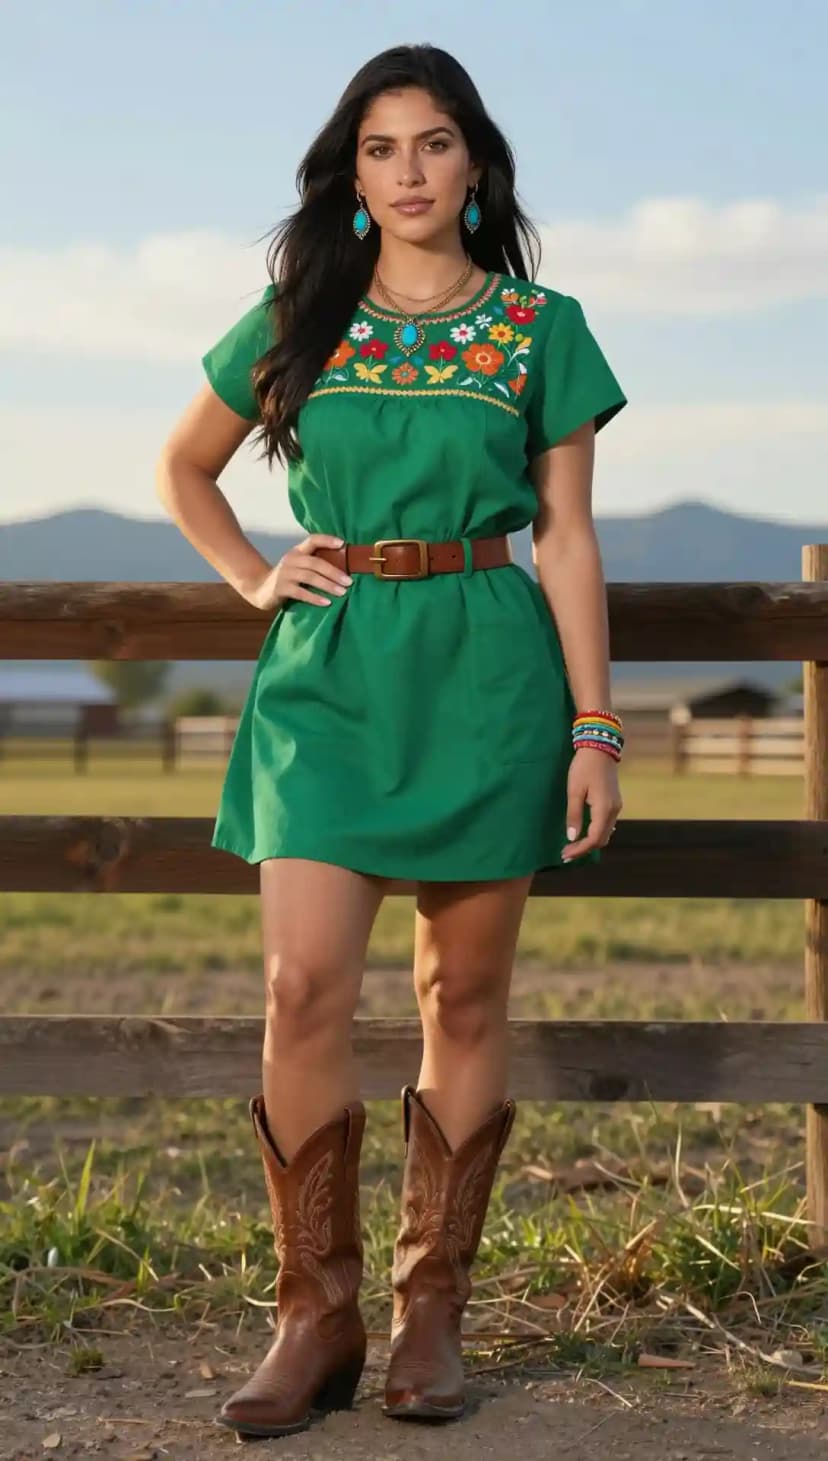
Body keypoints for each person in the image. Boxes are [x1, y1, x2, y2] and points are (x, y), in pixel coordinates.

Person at [155, 42, 627, 1440]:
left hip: (491, 666)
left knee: (461, 1001)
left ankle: (432, 1312)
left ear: (473, 163)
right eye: (380, 148)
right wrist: (251, 575)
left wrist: (595, 725)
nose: (408, 170)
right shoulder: (300, 311)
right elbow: (185, 466)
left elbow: (571, 533)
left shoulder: (544, 327)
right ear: (350, 175)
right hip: (330, 670)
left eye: (432, 143)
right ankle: (316, 1312)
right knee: (302, 986)